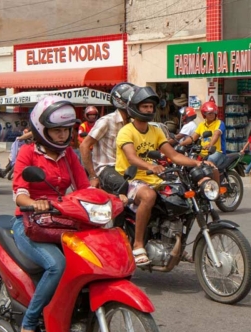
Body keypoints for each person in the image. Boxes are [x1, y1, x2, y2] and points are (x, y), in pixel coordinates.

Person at [11, 96, 89, 332]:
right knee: (58, 265)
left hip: (63, 221)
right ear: (42, 130)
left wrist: (115, 197)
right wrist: (34, 203)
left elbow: (85, 188)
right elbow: (19, 193)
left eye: (66, 129)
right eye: (57, 130)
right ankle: (29, 324)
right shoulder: (28, 153)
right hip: (30, 223)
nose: (62, 135)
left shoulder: (69, 156)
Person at [114, 85, 200, 266]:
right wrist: (150, 166)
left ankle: (175, 242)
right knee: (148, 195)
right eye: (144, 106)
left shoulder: (155, 131)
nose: (148, 110)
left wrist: (197, 163)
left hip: (153, 179)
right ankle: (138, 244)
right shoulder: (126, 131)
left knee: (180, 197)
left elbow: (174, 155)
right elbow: (131, 157)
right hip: (130, 180)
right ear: (135, 108)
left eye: (151, 107)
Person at [79, 84, 132, 185]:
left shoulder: (131, 123)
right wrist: (93, 176)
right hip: (107, 168)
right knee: (122, 185)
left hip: (125, 167)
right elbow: (84, 146)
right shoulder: (106, 121)